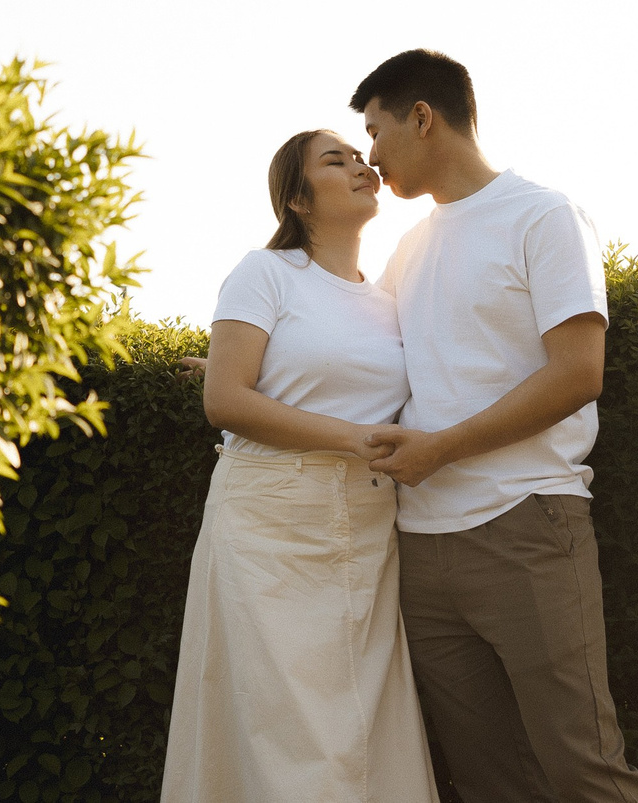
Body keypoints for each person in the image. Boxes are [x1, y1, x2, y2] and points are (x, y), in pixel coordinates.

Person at [355, 49, 638, 803]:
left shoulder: (543, 214)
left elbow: (576, 372)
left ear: (422, 118)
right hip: (421, 550)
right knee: (489, 781)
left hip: (526, 525)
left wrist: (441, 449)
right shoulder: (408, 248)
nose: (370, 154)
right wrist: (243, 358)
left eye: (375, 128)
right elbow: (356, 351)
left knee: (581, 767)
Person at [160, 129, 440, 803]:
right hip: (267, 532)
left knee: (365, 736)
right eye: (334, 159)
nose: (360, 163)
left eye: (358, 153)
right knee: (281, 741)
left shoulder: (393, 298)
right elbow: (225, 398)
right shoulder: (264, 273)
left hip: (367, 530)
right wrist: (351, 437)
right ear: (298, 199)